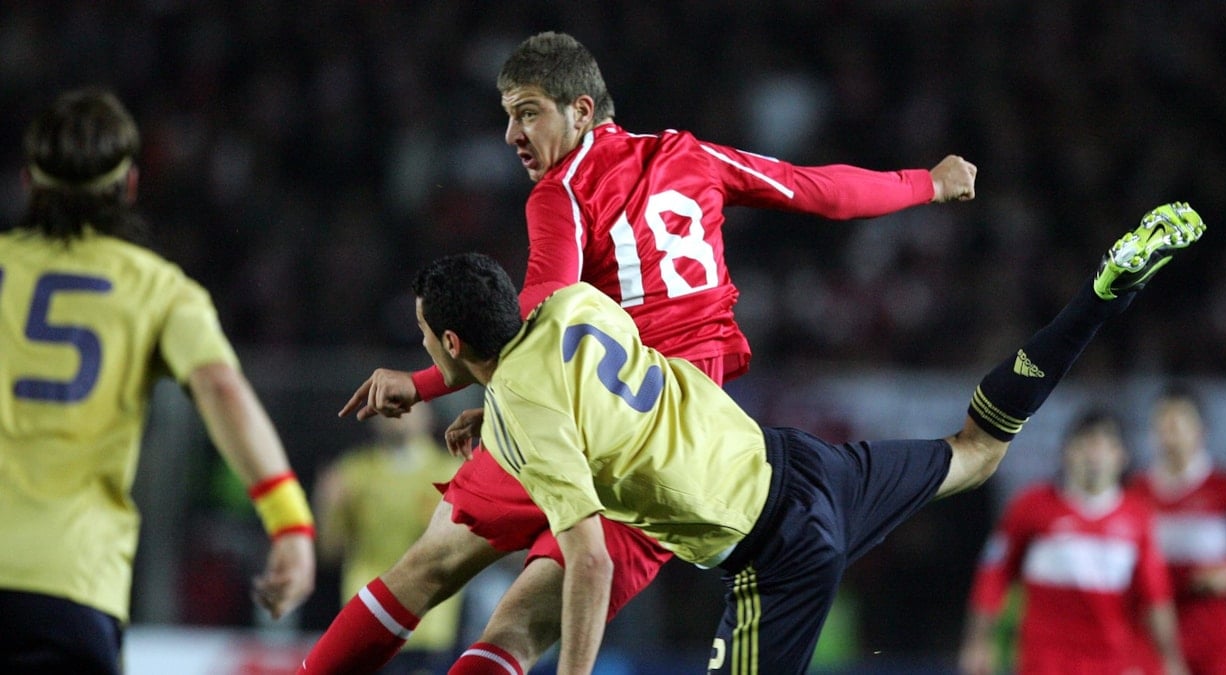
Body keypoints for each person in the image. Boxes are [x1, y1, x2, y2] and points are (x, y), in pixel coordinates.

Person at [302, 31, 978, 674]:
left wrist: (427, 383)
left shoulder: (563, 192)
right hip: (681, 442)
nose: (512, 135)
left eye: (528, 113)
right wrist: (927, 182)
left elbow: (530, 311)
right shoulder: (694, 157)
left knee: (427, 569)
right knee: (523, 627)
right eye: (508, 116)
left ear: (581, 110)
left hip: (598, 409)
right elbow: (817, 190)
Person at [378, 200, 1199, 673]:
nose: (420, 346)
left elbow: (589, 560)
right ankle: (1101, 296)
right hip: (805, 462)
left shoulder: (523, 415)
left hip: (775, 556)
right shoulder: (572, 306)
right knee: (978, 451)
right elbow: (571, 386)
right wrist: (501, 412)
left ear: (451, 342)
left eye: (422, 335)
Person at [0, 88, 316, 674]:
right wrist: (289, 522)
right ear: (129, 186)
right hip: (70, 582)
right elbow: (222, 389)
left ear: (28, 183)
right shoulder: (159, 289)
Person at [958, 410, 1187, 675]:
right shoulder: (1031, 507)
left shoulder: (1137, 518)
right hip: (1045, 664)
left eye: (1105, 446)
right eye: (1085, 444)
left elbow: (1155, 597)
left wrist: (1171, 660)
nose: (1094, 456)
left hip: (1112, 664)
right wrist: (977, 642)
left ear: (1121, 456)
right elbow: (994, 575)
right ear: (1066, 452)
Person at [1125, 384, 1226, 675]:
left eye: (1179, 424)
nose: (1171, 434)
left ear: (1201, 431)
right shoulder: (1136, 492)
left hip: (1212, 639)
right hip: (1151, 637)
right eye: (1164, 425)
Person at [313, 409, 466, 674]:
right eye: (387, 405)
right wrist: (326, 506)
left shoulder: (450, 472)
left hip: (427, 621)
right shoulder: (352, 473)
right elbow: (330, 551)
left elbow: (463, 550)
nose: (397, 414)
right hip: (366, 616)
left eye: (408, 405)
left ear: (427, 415)